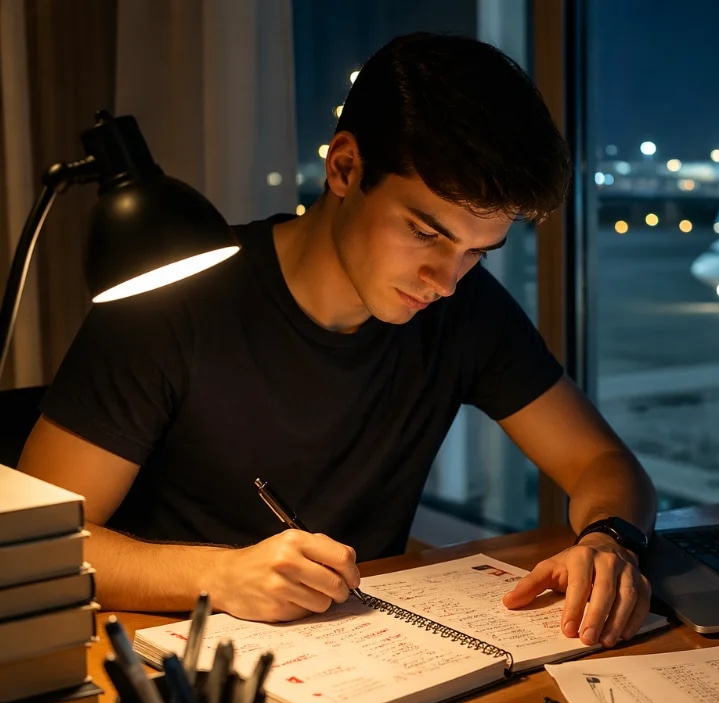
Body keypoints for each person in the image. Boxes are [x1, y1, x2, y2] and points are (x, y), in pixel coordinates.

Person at [18, 32, 657, 650]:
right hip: (172, 668)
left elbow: (602, 465)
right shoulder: (167, 303)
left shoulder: (462, 312)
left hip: (358, 659)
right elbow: (33, 542)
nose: (446, 280)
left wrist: (609, 540)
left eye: (476, 253)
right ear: (345, 167)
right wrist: (219, 576)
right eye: (425, 233)